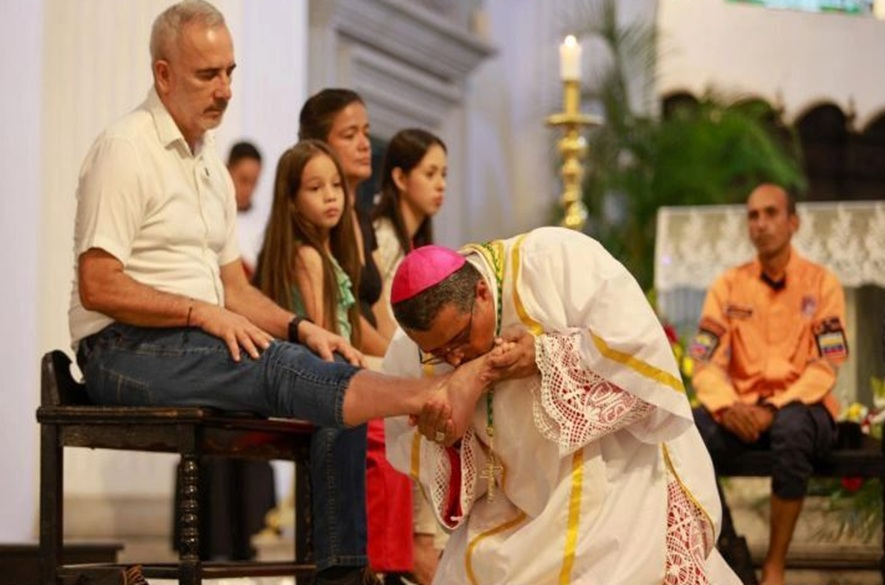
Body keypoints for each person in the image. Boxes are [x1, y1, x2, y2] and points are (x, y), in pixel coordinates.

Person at [67, 3, 482, 584]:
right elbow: (99, 283)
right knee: (284, 370)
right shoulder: (125, 148)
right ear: (163, 74)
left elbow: (236, 288)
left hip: (187, 341)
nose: (225, 90)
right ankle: (429, 394)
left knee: (321, 361)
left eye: (230, 72)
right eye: (207, 75)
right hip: (121, 351)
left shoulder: (208, 162)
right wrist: (201, 312)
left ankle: (338, 572)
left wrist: (299, 327)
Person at [382, 227, 741, 585]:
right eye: (439, 352)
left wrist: (543, 356)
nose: (454, 357)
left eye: (459, 339)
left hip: (613, 476)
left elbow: (642, 357)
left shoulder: (553, 261)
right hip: (510, 508)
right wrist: (448, 438)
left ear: (481, 294)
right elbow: (417, 452)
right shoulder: (408, 352)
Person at [690, 183, 849, 585]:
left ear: (792, 222)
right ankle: (730, 551)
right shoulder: (728, 285)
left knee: (792, 429)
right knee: (687, 434)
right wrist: (727, 407)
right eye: (753, 215)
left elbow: (826, 364)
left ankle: (775, 564)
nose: (760, 224)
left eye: (770, 213)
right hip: (740, 414)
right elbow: (704, 362)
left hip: (801, 409)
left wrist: (774, 408)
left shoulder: (822, 284)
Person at [299, 90, 417, 584]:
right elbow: (333, 321)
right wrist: (393, 365)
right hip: (323, 365)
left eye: (367, 133)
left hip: (353, 353)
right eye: (350, 135)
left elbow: (361, 314)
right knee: (389, 420)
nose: (366, 145)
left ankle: (402, 561)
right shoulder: (315, 232)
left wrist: (405, 356)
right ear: (318, 146)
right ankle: (380, 566)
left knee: (415, 404)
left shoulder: (356, 217)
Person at [371, 128, 447, 340]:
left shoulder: (416, 241)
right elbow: (381, 318)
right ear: (400, 178)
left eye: (444, 174)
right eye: (430, 174)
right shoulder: (381, 237)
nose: (441, 185)